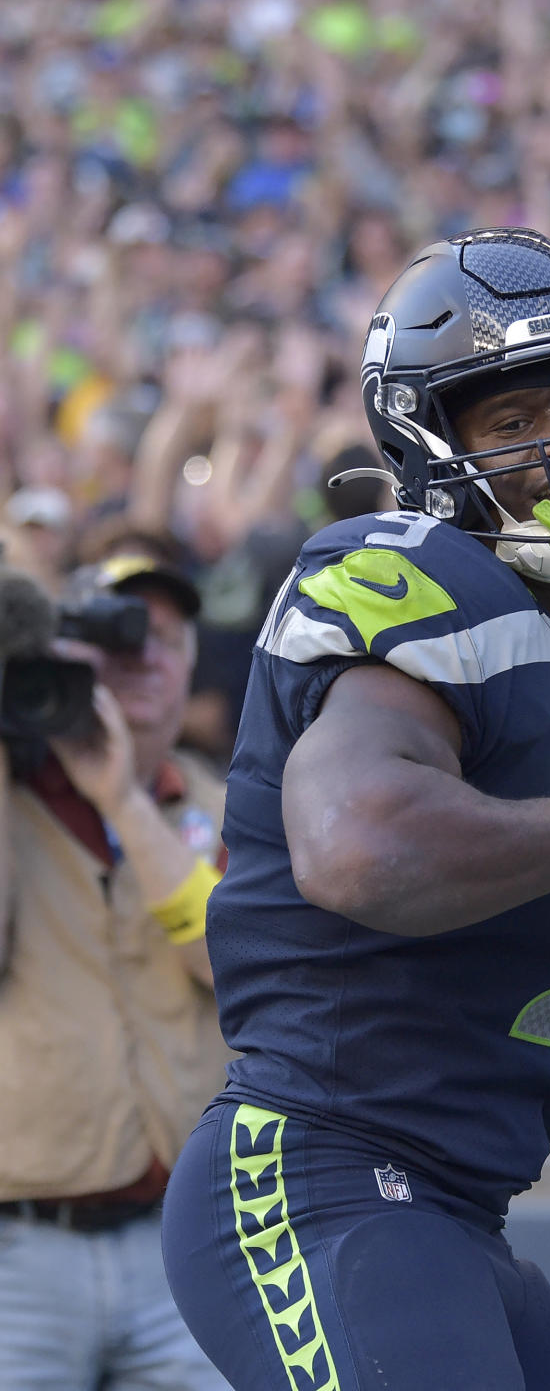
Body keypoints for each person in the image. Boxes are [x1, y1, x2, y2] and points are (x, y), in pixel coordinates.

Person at [161, 227, 550, 1391]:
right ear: (431, 443)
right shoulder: (410, 579)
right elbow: (360, 849)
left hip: (459, 1207)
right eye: (511, 425)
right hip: (319, 1175)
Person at [0, 552, 230, 1389]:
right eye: (113, 636)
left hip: (186, 1250)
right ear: (63, 653)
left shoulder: (224, 806)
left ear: (193, 662)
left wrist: (122, 801)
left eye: (162, 638)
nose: (142, 656)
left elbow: (232, 965)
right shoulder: (14, 802)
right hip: (20, 1251)